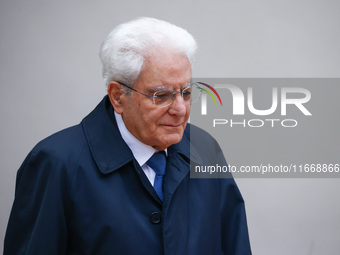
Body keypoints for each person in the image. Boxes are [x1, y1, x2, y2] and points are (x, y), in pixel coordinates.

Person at [4, 17, 252, 254]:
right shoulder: (56, 164)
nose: (180, 109)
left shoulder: (206, 149)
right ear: (118, 96)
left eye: (186, 92)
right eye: (162, 95)